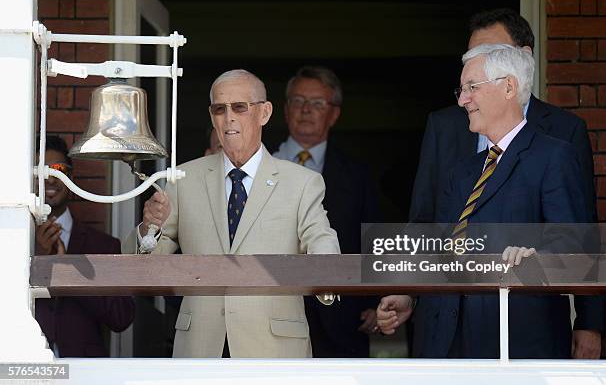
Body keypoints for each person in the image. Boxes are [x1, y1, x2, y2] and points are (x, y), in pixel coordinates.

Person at [378, 8, 604, 359]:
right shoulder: (464, 169)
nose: (462, 99)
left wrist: (535, 258)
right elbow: (432, 232)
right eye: (462, 88)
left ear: (509, 85)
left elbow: (575, 241)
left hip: (514, 334)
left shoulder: (555, 152)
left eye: (472, 87)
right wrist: (409, 288)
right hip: (444, 334)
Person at [122, 69, 341, 358]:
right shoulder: (184, 178)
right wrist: (149, 228)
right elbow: (145, 264)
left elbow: (320, 238)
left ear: (264, 113)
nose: (229, 118)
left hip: (273, 349)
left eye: (240, 107)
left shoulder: (301, 182)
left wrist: (328, 275)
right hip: (201, 346)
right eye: (219, 109)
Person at [274, 66, 380, 357]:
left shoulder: (358, 175)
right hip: (274, 309)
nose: (306, 110)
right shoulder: (262, 164)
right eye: (298, 101)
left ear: (334, 114)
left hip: (343, 316)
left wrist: (374, 300)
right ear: (285, 110)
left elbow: (371, 237)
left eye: (317, 103)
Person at [34, 135, 135, 357]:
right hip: (23, 368)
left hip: (86, 371)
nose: (51, 179)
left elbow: (122, 317)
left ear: (71, 176)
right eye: (42, 171)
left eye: (58, 169)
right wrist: (38, 258)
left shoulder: (104, 245)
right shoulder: (14, 244)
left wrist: (70, 272)